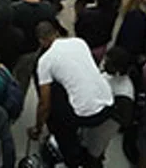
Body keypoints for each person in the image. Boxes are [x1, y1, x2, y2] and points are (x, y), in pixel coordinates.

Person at [30, 21, 114, 168]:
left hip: (85, 114)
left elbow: (44, 104)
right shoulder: (79, 42)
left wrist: (37, 128)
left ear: (41, 41)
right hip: (107, 101)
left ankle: (72, 160)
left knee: (60, 124)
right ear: (56, 33)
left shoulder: (45, 61)